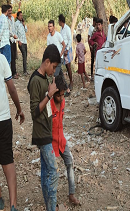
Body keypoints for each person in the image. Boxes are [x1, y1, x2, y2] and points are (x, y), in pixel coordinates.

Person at [28, 45, 60, 211]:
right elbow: (34, 112)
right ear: (47, 62)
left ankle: (49, 207)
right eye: (53, 67)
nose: (53, 71)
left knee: (46, 171)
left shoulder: (45, 79)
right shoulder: (35, 81)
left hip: (47, 129)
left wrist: (53, 93)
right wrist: (48, 95)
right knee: (53, 172)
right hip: (41, 132)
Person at [0, 49, 25, 211]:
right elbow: (12, 89)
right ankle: (13, 205)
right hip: (3, 119)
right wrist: (19, 109)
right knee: (8, 161)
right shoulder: (1, 59)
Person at [50, 76, 80, 206]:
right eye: (59, 96)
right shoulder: (48, 105)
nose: (61, 98)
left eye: (63, 95)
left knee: (70, 163)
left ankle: (71, 194)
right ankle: (51, 201)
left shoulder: (63, 102)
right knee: (52, 172)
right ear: (53, 94)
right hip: (50, 142)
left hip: (61, 139)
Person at [45, 20, 67, 97]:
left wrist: (61, 54)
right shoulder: (48, 37)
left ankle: (53, 91)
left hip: (59, 58)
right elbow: (48, 48)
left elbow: (64, 45)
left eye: (50, 26)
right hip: (53, 59)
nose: (49, 28)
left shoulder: (58, 35)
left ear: (54, 27)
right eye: (48, 26)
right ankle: (66, 89)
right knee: (60, 73)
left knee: (55, 74)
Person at [58, 15, 73, 92]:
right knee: (66, 67)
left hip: (67, 49)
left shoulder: (67, 29)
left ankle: (71, 82)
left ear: (61, 21)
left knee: (68, 66)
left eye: (58, 21)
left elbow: (70, 40)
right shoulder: (62, 29)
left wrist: (67, 50)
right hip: (64, 49)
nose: (58, 22)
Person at [0, 5, 13, 73]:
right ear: (7, 11)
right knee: (7, 61)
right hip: (5, 42)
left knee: (2, 61)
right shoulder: (4, 19)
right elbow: (1, 30)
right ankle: (7, 77)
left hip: (1, 43)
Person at [8, 13, 17, 79]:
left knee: (14, 57)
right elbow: (8, 31)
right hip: (9, 40)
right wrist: (12, 35)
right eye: (9, 11)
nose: (10, 12)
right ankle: (9, 73)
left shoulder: (13, 18)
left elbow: (14, 29)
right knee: (10, 57)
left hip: (13, 40)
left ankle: (14, 72)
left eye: (11, 11)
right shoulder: (5, 19)